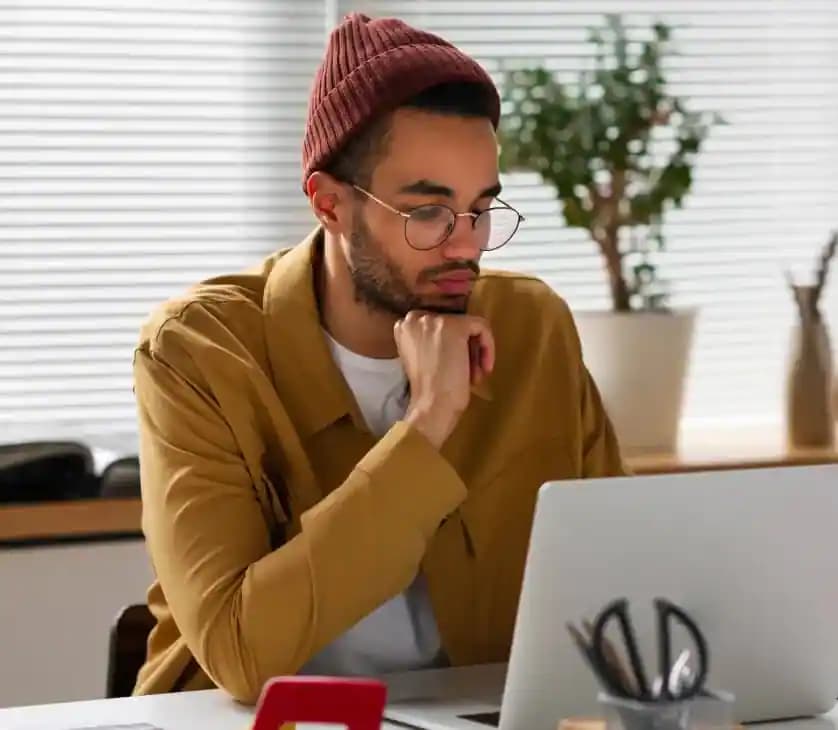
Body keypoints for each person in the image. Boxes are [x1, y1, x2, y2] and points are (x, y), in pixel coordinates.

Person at [132, 13, 626, 704]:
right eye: (428, 213)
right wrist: (427, 422)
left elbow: (623, 580)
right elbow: (241, 653)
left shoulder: (532, 327)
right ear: (329, 204)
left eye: (481, 209)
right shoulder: (199, 352)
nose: (466, 247)